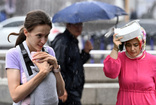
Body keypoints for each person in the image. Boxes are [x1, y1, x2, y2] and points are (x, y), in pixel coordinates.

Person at [5, 10, 65, 105]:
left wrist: (56, 67)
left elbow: (60, 92)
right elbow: (15, 96)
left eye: (46, 36)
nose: (43, 41)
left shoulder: (49, 52)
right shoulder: (14, 54)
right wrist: (42, 74)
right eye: (39, 36)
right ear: (26, 32)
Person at [103, 22, 156, 104]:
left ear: (142, 43)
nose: (132, 49)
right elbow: (110, 73)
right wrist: (115, 48)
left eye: (136, 45)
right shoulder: (120, 57)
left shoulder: (153, 61)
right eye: (128, 45)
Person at [50, 22, 93, 105]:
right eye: (76, 25)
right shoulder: (62, 41)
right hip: (67, 90)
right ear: (68, 25)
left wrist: (86, 52)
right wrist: (61, 88)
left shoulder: (73, 40)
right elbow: (57, 66)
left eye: (80, 25)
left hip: (74, 89)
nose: (79, 28)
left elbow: (75, 63)